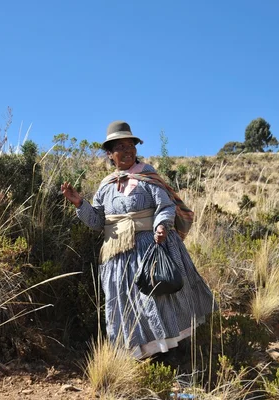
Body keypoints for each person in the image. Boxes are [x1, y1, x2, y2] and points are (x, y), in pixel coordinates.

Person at [61, 120, 216, 359]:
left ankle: (173, 354)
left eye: (130, 145)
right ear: (110, 154)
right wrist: (79, 203)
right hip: (117, 258)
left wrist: (161, 226)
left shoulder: (147, 176)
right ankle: (141, 356)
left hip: (149, 249)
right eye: (120, 147)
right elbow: (97, 222)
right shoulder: (105, 186)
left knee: (159, 301)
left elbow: (165, 206)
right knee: (127, 306)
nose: (127, 151)